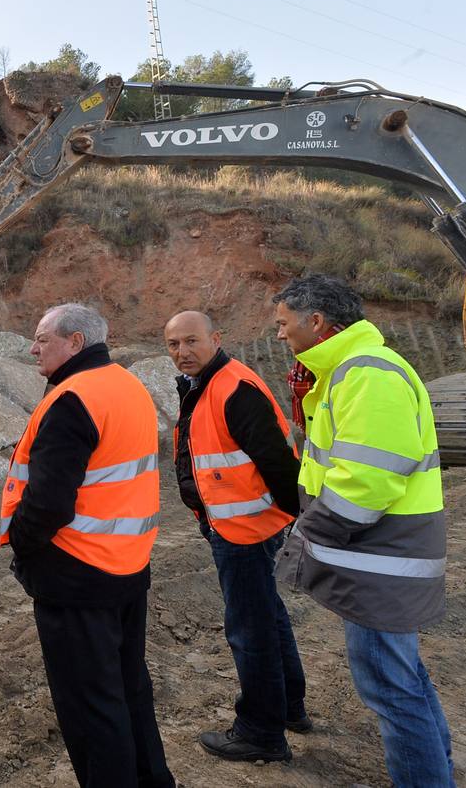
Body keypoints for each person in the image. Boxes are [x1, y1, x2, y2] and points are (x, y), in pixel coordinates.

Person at [272, 275, 452, 788]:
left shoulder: (366, 374)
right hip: (378, 561)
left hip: (380, 565)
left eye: (284, 325)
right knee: (404, 682)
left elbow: (367, 480)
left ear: (317, 322)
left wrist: (309, 536)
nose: (280, 335)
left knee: (392, 691)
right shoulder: (347, 372)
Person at [0, 303, 174, 788]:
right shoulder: (127, 385)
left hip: (76, 575)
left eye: (41, 338)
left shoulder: (73, 398)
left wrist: (23, 545)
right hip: (126, 565)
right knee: (127, 688)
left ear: (75, 343)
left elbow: (48, 501)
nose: (33, 348)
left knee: (89, 706)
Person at [164, 310, 309, 763]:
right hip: (241, 525)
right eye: (173, 345)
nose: (182, 352)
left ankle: (260, 732)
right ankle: (289, 709)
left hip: (244, 530)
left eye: (191, 341)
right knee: (267, 617)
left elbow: (280, 463)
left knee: (250, 629)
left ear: (216, 339)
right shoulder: (206, 384)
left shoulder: (232, 387)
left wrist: (289, 517)